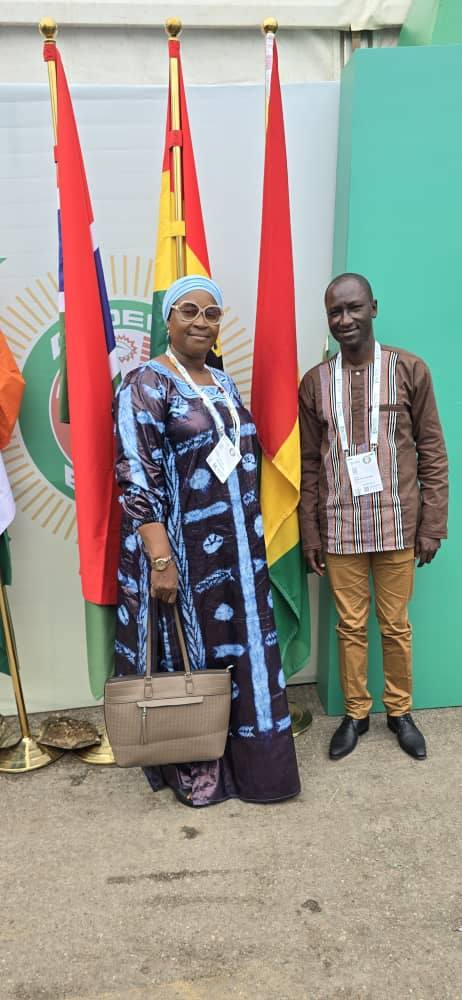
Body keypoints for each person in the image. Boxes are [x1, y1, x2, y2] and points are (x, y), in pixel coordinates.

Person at [114, 274, 300, 806]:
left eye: (212, 313)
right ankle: (202, 774)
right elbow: (135, 475)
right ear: (168, 320)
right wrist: (160, 557)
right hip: (186, 556)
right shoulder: (145, 384)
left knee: (244, 658)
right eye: (189, 311)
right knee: (195, 662)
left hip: (240, 552)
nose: (201, 322)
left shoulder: (223, 382)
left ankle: (259, 772)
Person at [299, 273, 448, 762]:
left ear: (373, 308)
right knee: (349, 626)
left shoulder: (409, 369)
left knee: (395, 625)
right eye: (335, 313)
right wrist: (310, 532)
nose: (345, 320)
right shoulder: (315, 382)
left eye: (353, 308)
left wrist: (432, 525)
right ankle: (356, 714)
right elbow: (308, 463)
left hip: (398, 525)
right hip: (340, 524)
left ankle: (400, 712)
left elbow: (432, 452)